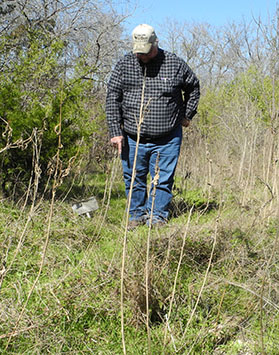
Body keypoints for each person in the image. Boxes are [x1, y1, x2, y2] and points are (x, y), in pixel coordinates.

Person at [106, 24, 200, 228]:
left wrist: (187, 114)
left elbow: (193, 88)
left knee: (162, 179)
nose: (142, 55)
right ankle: (136, 215)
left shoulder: (174, 64)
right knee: (133, 177)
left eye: (146, 51)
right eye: (138, 51)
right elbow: (112, 98)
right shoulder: (124, 65)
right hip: (132, 136)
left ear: (155, 43)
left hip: (168, 137)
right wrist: (115, 132)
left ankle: (157, 216)